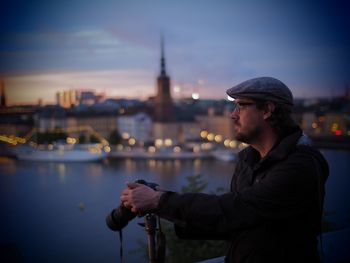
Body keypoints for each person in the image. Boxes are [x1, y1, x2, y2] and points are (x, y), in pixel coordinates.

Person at [120, 77, 329, 263]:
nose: (232, 115)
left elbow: (235, 210)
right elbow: (231, 221)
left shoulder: (300, 167)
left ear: (267, 110)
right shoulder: (249, 159)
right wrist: (164, 201)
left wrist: (159, 201)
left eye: (241, 106)